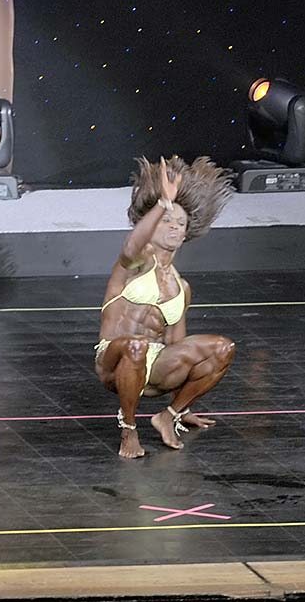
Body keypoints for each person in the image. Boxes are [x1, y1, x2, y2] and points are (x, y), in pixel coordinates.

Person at [94, 155, 235, 458]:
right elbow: (132, 245)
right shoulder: (135, 264)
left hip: (156, 366)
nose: (173, 227)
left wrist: (185, 404)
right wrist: (163, 203)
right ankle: (129, 430)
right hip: (115, 360)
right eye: (166, 221)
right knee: (136, 345)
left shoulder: (181, 287)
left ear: (185, 234)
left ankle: (169, 416)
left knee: (222, 348)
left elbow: (176, 344)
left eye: (180, 223)